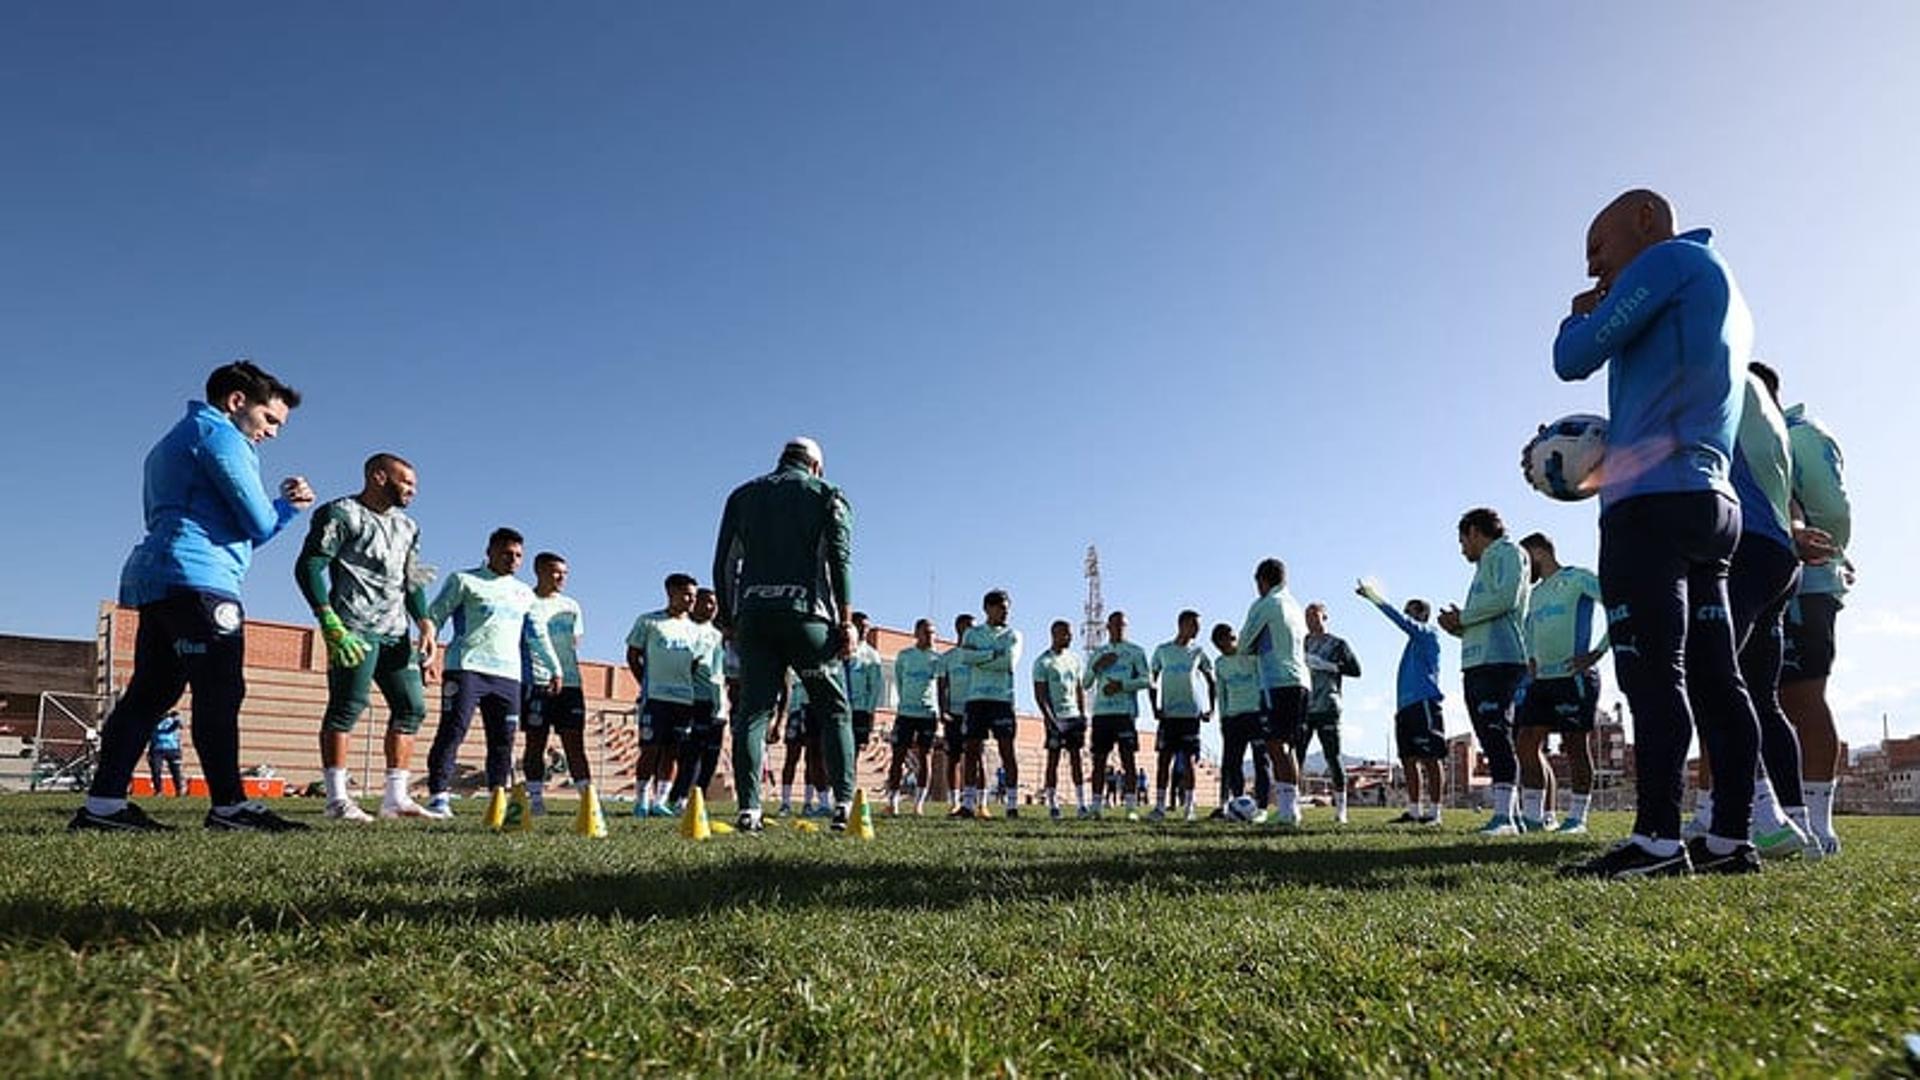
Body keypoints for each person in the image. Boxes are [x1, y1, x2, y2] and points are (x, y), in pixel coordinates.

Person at [1553, 189, 1762, 877]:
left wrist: (1579, 316)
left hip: (1650, 503)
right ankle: (1731, 838)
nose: (1592, 267)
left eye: (1596, 246)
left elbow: (1573, 357)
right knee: (1716, 677)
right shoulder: (1719, 280)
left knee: (1652, 673)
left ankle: (1656, 842)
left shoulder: (1664, 260)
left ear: (1645, 218)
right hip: (1713, 501)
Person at [73, 360, 315, 833]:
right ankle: (230, 807)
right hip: (200, 580)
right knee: (219, 690)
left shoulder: (170, 442)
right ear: (237, 401)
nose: (271, 433)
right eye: (270, 420)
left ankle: (102, 807)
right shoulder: (223, 437)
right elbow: (258, 524)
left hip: (158, 579)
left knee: (151, 692)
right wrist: (289, 507)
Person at [1689, 364, 1829, 857]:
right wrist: (1796, 534)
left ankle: (1762, 817)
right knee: (1759, 695)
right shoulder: (1777, 436)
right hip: (1779, 561)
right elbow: (1789, 502)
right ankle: (1797, 822)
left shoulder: (1735, 403)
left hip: (1745, 552)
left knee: (1712, 677)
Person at [711, 437, 858, 833]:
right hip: (807, 615)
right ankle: (844, 805)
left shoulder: (742, 495)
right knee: (834, 709)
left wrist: (728, 619)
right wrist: (846, 621)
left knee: (752, 712)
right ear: (815, 466)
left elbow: (723, 562)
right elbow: (839, 560)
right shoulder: (828, 493)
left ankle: (749, 811)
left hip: (754, 617)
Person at [296, 453, 437, 823]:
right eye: (405, 481)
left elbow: (412, 578)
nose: (412, 490)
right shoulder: (341, 513)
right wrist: (327, 619)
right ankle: (338, 799)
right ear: (378, 477)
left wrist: (424, 621)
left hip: (396, 632)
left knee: (412, 707)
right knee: (347, 706)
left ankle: (395, 799)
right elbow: (309, 564)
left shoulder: (408, 526)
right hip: (354, 626)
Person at [423, 527, 561, 818]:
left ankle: (498, 799)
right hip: (467, 668)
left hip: (508, 677)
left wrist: (554, 668)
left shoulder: (524, 593)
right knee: (453, 731)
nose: (513, 560)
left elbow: (538, 635)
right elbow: (435, 616)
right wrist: (427, 653)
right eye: (507, 553)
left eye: (518, 555)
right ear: (490, 553)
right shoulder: (464, 580)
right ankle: (438, 796)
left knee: (503, 740)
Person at [1778, 374, 1852, 856]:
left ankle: (1818, 825)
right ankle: (1796, 817)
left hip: (1803, 584)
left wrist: (1827, 550)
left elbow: (1825, 509)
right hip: (1796, 582)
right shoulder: (1808, 432)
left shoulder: (1794, 436)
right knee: (1778, 700)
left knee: (1801, 698)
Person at [1437, 508, 1532, 836]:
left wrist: (1464, 617)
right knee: (1490, 737)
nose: (1462, 548)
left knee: (1497, 734)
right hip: (1477, 661)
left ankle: (1505, 817)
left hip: (1500, 660)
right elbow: (1482, 618)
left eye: (1462, 540)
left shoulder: (1507, 552)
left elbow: (1506, 600)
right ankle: (1512, 816)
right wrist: (1456, 627)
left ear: (1475, 532)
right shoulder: (1483, 566)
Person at [1516, 532, 1607, 834]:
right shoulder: (1537, 594)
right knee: (1526, 744)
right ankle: (1534, 817)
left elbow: (1616, 604)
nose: (1523, 571)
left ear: (1539, 553)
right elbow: (1530, 631)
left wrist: (1597, 652)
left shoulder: (1578, 578)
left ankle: (1577, 819)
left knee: (1575, 746)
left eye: (1525, 562)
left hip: (1574, 677)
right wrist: (1530, 658)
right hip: (1542, 681)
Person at [1357, 580, 1447, 825]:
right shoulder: (1412, 645)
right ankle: (1415, 810)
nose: (1406, 614)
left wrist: (1374, 597)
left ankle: (1436, 813)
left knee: (1431, 758)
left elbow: (1399, 620)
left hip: (1424, 703)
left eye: (1410, 611)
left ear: (1420, 614)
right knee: (1408, 759)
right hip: (1405, 708)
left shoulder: (1428, 633)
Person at [625, 574, 707, 818]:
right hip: (655, 698)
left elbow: (693, 665)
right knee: (650, 749)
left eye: (693, 595)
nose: (692, 600)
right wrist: (646, 683)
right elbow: (633, 656)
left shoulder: (695, 630)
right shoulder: (649, 622)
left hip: (683, 700)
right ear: (671, 593)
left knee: (672, 751)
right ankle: (641, 800)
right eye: (687, 595)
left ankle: (660, 800)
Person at [1238, 558, 1309, 827]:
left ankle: (1288, 811)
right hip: (1301, 681)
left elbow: (1244, 643)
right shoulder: (1295, 606)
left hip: (1278, 681)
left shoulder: (1266, 604)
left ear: (1262, 581)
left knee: (1275, 744)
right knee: (1286, 744)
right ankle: (1290, 809)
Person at [523, 552, 594, 817]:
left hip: (570, 684)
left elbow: (575, 642)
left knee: (575, 744)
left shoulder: (572, 606)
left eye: (565, 572)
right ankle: (536, 800)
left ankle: (587, 800)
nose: (561, 577)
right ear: (539, 571)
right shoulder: (525, 601)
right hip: (537, 682)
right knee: (535, 743)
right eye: (556, 571)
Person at [954, 590, 1024, 818]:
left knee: (1007, 752)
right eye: (1000, 607)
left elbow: (1009, 662)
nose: (1004, 612)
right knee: (972, 751)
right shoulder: (972, 634)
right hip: (976, 700)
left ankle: (1012, 805)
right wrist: (993, 654)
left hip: (1002, 700)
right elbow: (965, 657)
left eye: (1007, 607)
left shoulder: (1013, 634)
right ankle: (967, 804)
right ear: (987, 608)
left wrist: (981, 658)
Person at [1084, 611, 1151, 819]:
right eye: (1114, 625)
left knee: (1128, 760)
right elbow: (1085, 683)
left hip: (1125, 713)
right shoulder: (1099, 652)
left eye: (1122, 625)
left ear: (1126, 627)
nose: (1118, 628)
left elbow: (1147, 680)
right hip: (1102, 714)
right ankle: (1096, 807)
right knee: (1099, 762)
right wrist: (1098, 667)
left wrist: (1122, 685)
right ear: (1107, 628)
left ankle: (1131, 807)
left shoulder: (1135, 651)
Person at [667, 587, 729, 813]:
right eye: (707, 602)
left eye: (714, 604)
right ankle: (679, 797)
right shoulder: (686, 630)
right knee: (690, 754)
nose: (711, 608)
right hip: (694, 701)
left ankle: (697, 800)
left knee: (711, 757)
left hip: (718, 704)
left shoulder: (718, 634)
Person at [1149, 610, 1215, 822]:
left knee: (1189, 761)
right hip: (1169, 715)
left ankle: (1189, 807)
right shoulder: (1163, 650)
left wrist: (1211, 708)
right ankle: (1159, 807)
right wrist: (1155, 708)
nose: (1197, 629)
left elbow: (1211, 680)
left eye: (1198, 626)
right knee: (1164, 760)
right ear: (1182, 624)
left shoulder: (1198, 652)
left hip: (1191, 716)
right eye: (1194, 625)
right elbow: (1152, 679)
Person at [1302, 602, 1362, 824]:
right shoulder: (1301, 643)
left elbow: (1356, 670)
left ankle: (1341, 809)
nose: (1311, 620)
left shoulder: (1337, 644)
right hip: (1304, 707)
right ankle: (1291, 806)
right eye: (1307, 616)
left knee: (1333, 757)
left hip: (1328, 706)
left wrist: (1328, 666)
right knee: (1296, 755)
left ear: (1325, 617)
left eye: (1315, 615)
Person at [1032, 619, 1089, 819]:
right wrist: (1050, 719)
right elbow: (1040, 695)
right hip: (1056, 719)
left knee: (1076, 760)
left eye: (1070, 633)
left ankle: (1082, 804)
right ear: (1054, 634)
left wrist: (1083, 714)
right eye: (1065, 633)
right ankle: (1053, 805)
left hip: (1073, 717)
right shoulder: (1043, 661)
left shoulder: (1074, 660)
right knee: (1053, 761)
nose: (1069, 637)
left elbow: (1079, 689)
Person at [885, 619, 942, 815]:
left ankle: (919, 804)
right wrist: (904, 703)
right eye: (926, 632)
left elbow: (941, 687)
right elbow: (899, 681)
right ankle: (892, 802)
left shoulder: (937, 658)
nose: (930, 636)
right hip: (906, 713)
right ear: (916, 633)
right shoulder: (905, 656)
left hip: (927, 714)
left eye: (933, 632)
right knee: (898, 756)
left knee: (925, 756)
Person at [1210, 624, 1267, 811]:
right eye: (1225, 641)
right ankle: (1238, 803)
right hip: (1233, 718)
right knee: (1233, 763)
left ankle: (1262, 806)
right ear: (1218, 643)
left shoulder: (1252, 657)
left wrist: (1265, 710)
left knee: (1261, 762)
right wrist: (1223, 718)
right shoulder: (1219, 664)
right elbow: (1221, 692)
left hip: (1256, 715)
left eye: (1233, 638)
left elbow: (1263, 682)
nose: (1231, 643)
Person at [937, 613, 975, 817]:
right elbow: (942, 687)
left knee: (976, 757)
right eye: (968, 627)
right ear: (959, 628)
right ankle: (954, 801)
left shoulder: (978, 657)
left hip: (974, 712)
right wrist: (943, 710)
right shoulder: (948, 658)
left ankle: (981, 802)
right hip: (954, 713)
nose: (972, 631)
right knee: (953, 758)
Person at [846, 612, 886, 756]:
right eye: (860, 626)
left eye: (867, 628)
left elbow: (875, 687)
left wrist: (870, 712)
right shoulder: (838, 649)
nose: (864, 630)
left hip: (859, 711)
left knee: (853, 751)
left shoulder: (872, 655)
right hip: (839, 707)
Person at [147, 710, 185, 798]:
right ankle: (158, 791)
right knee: (156, 771)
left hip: (173, 749)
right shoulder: (153, 720)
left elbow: (179, 726)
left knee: (176, 771)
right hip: (157, 749)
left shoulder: (172, 719)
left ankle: (179, 790)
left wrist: (177, 719)